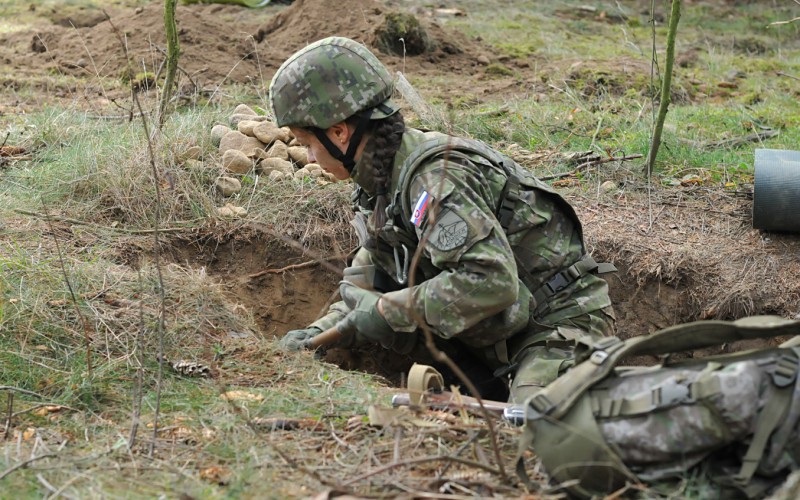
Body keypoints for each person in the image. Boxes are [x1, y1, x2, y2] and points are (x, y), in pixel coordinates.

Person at [270, 36, 616, 403]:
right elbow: (368, 283)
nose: (308, 157)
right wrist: (316, 333)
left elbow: (491, 281)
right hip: (496, 329)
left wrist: (387, 311)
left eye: (307, 142)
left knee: (533, 432)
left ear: (339, 131)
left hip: (558, 322)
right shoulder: (380, 182)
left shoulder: (432, 180)